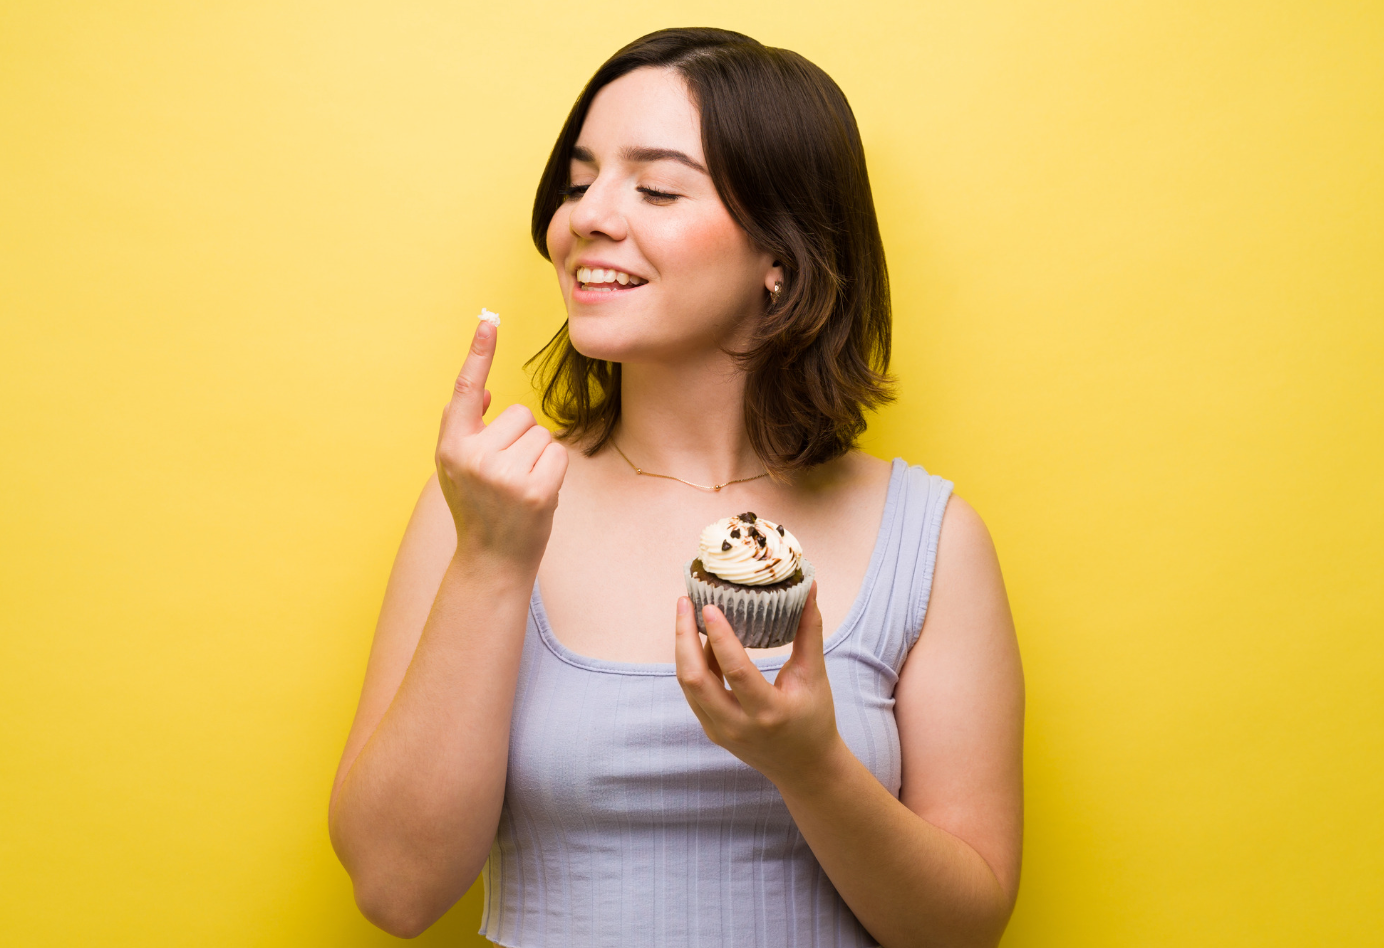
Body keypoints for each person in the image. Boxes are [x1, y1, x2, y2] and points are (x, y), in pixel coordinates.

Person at [328, 27, 1023, 948]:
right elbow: (395, 890)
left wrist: (808, 764)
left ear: (780, 256)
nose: (586, 218)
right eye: (578, 183)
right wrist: (492, 564)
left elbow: (962, 931)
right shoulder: (489, 505)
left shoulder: (929, 536)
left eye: (654, 188)